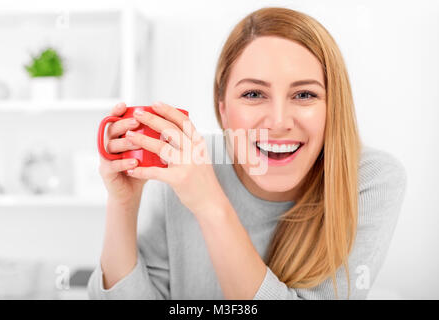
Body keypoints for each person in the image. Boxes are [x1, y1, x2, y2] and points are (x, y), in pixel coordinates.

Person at [87, 7, 406, 299]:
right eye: (254, 94)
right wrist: (123, 204)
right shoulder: (186, 163)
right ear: (223, 109)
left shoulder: (370, 178)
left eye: (305, 94)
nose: (279, 122)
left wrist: (209, 203)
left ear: (332, 105)